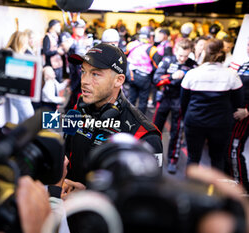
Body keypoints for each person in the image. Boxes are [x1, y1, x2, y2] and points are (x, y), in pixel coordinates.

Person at [65, 43, 163, 184]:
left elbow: (148, 197)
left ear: (119, 80)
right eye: (83, 71)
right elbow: (67, 152)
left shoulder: (145, 135)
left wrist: (91, 196)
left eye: (95, 74)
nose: (84, 81)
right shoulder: (77, 108)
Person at [181, 39, 243, 172]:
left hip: (194, 121)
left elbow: (184, 102)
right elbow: (238, 102)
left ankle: (188, 191)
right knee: (217, 159)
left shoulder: (192, 74)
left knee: (193, 158)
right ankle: (216, 192)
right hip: (221, 123)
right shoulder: (232, 75)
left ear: (204, 53)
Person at [153, 39, 198, 174]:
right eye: (180, 55)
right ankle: (152, 157)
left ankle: (173, 160)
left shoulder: (193, 65)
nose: (183, 58)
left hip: (181, 101)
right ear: (176, 50)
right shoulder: (167, 61)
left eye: (186, 55)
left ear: (190, 53)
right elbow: (156, 80)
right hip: (165, 98)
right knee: (155, 130)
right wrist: (172, 76)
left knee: (177, 132)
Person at [227, 38, 249, 192]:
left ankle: (242, 189)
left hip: (245, 114)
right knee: (229, 148)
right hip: (235, 113)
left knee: (234, 149)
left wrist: (248, 111)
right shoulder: (244, 64)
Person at [126, 26, 163, 114]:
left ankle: (128, 118)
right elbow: (157, 66)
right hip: (144, 78)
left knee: (131, 99)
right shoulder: (152, 49)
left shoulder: (131, 44)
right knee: (143, 101)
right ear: (150, 37)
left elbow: (124, 55)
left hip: (131, 75)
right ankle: (140, 121)